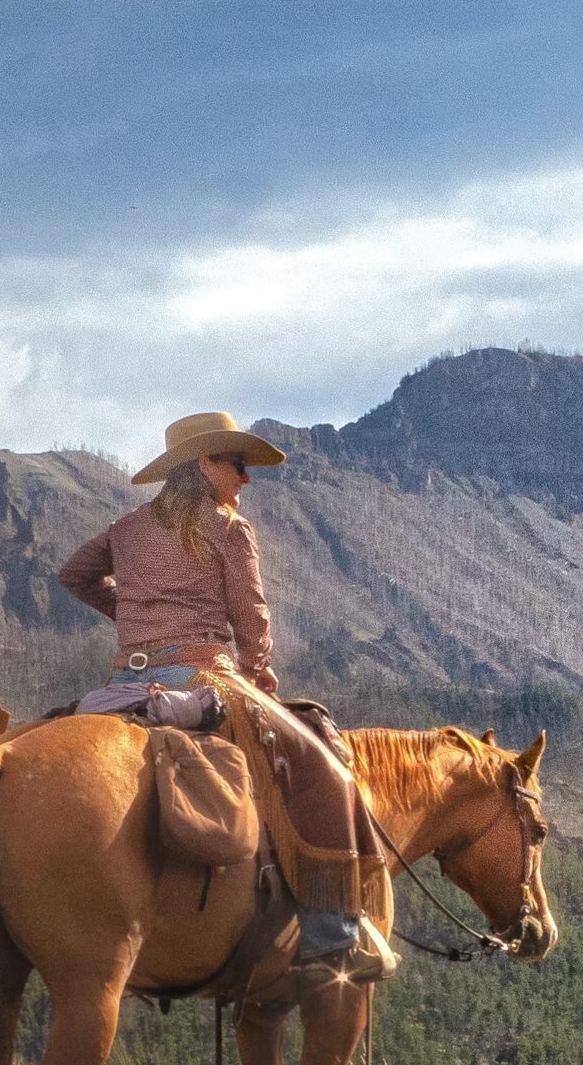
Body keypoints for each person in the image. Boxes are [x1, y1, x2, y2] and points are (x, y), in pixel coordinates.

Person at [56, 411, 395, 983]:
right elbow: (252, 616)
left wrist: (135, 617)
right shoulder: (228, 528)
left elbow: (74, 575)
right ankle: (329, 934)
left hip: (123, 684)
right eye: (236, 463)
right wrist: (258, 672)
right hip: (203, 676)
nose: (246, 478)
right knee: (324, 766)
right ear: (204, 464)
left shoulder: (126, 528)